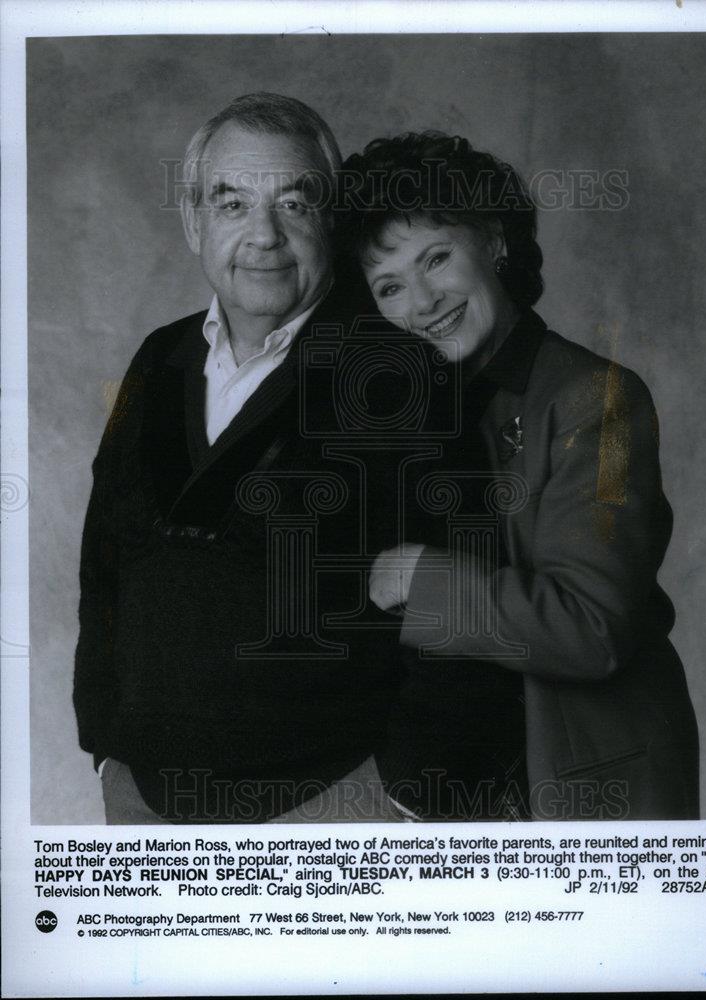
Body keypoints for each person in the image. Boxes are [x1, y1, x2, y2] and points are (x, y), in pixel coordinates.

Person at [339, 131, 700, 820]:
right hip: (451, 789)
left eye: (436, 258)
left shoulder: (597, 399)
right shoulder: (402, 412)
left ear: (494, 239)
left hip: (583, 777)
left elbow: (589, 628)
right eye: (388, 286)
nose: (421, 302)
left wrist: (421, 580)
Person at [73, 93, 410, 824]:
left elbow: (456, 595)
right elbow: (104, 561)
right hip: (141, 798)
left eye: (293, 204)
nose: (264, 236)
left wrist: (407, 795)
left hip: (326, 800)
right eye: (232, 204)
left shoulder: (395, 371)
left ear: (331, 218)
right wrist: (103, 741)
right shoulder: (161, 357)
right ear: (194, 221)